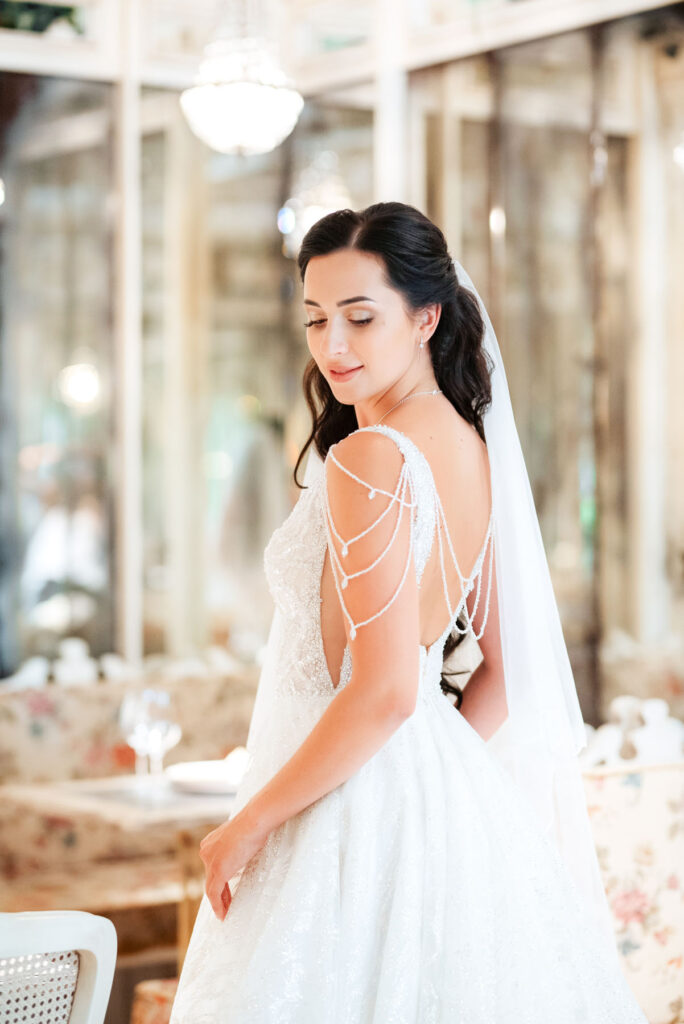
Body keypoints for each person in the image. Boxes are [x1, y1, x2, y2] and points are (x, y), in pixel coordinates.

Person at [169, 202, 648, 1022]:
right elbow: (500, 672)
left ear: (426, 317)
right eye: (317, 319)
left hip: (341, 814)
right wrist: (440, 782)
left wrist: (245, 825)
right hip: (435, 806)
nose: (334, 346)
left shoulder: (369, 457)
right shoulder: (472, 448)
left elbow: (386, 691)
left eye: (361, 317)